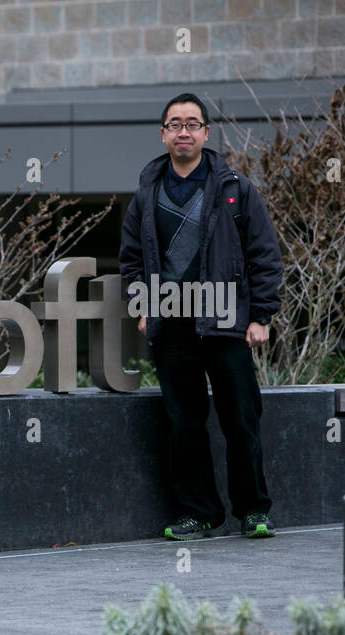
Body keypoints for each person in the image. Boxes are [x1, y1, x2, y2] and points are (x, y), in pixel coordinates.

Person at [119, 92, 282, 541]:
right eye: (175, 124)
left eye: (193, 123)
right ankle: (200, 513)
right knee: (183, 424)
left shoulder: (235, 188)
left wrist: (261, 315)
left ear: (206, 133)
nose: (184, 131)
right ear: (163, 134)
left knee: (241, 419)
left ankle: (253, 511)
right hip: (172, 323)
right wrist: (141, 306)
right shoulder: (146, 192)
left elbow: (264, 255)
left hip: (226, 319)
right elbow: (131, 258)